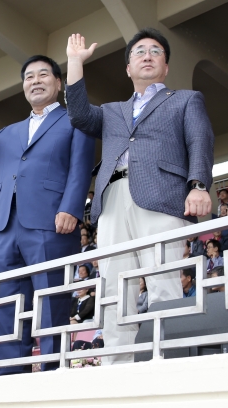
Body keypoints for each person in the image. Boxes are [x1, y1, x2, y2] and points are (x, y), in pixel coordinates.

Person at [63, 29, 214, 363]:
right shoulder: (113, 110)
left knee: (163, 279)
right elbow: (78, 114)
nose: (147, 55)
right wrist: (75, 63)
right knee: (115, 289)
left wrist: (199, 184)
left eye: (155, 51)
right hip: (112, 199)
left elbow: (199, 140)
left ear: (166, 65)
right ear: (128, 68)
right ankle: (117, 366)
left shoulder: (185, 99)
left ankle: (171, 360)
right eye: (139, 52)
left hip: (161, 195)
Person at [0, 51, 94, 375]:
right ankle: (10, 376)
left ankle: (50, 377)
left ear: (59, 83)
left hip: (51, 224)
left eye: (43, 75)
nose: (35, 81)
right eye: (29, 77)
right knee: (8, 307)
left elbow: (80, 167)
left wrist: (71, 208)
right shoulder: (9, 132)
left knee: (50, 303)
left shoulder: (75, 119)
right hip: (6, 228)